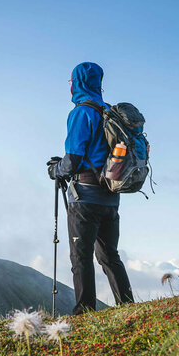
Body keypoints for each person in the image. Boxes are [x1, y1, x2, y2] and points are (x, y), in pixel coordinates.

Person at [47, 62, 134, 315]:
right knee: (109, 256)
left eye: (71, 81)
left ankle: (84, 312)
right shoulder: (111, 113)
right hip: (111, 196)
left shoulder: (81, 112)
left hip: (85, 197)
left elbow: (72, 159)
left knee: (81, 257)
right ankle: (127, 307)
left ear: (77, 83)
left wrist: (55, 170)